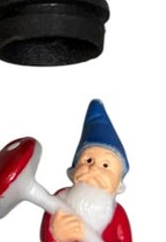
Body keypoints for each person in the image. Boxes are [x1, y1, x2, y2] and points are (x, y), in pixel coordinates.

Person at [41, 100, 132, 241]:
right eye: (88, 160)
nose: (94, 168)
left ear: (119, 185)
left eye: (105, 165)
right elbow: (46, 234)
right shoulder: (58, 200)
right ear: (73, 172)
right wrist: (57, 234)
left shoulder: (117, 214)